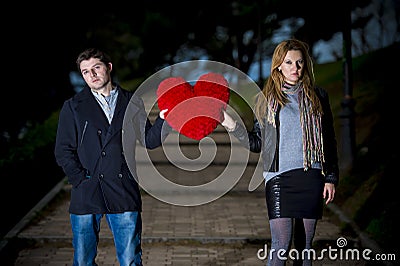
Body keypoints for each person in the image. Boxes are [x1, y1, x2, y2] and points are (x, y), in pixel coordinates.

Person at [221, 39, 339, 265]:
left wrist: (331, 177)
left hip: (312, 176)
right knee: (280, 245)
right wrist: (230, 124)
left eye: (300, 62)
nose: (295, 68)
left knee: (304, 247)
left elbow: (329, 141)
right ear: (278, 66)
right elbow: (257, 143)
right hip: (280, 179)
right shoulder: (267, 100)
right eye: (289, 63)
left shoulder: (318, 97)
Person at [54, 48, 169, 266]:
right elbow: (63, 149)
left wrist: (165, 119)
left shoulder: (131, 102)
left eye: (96, 68)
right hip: (87, 191)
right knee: (83, 261)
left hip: (122, 188)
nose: (92, 75)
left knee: (130, 260)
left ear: (108, 67)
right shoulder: (73, 107)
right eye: (85, 72)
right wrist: (80, 179)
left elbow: (149, 140)